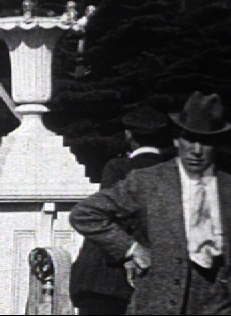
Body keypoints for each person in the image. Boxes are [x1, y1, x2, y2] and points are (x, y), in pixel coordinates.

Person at [70, 92, 231, 315]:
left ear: (217, 145)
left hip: (216, 305)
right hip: (159, 302)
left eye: (205, 141)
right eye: (190, 139)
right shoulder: (150, 181)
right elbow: (85, 214)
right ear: (177, 141)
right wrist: (131, 249)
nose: (196, 150)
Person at [70, 106, 172, 315]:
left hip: (106, 278)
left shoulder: (118, 168)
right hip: (154, 275)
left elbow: (106, 215)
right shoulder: (173, 173)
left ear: (129, 135)